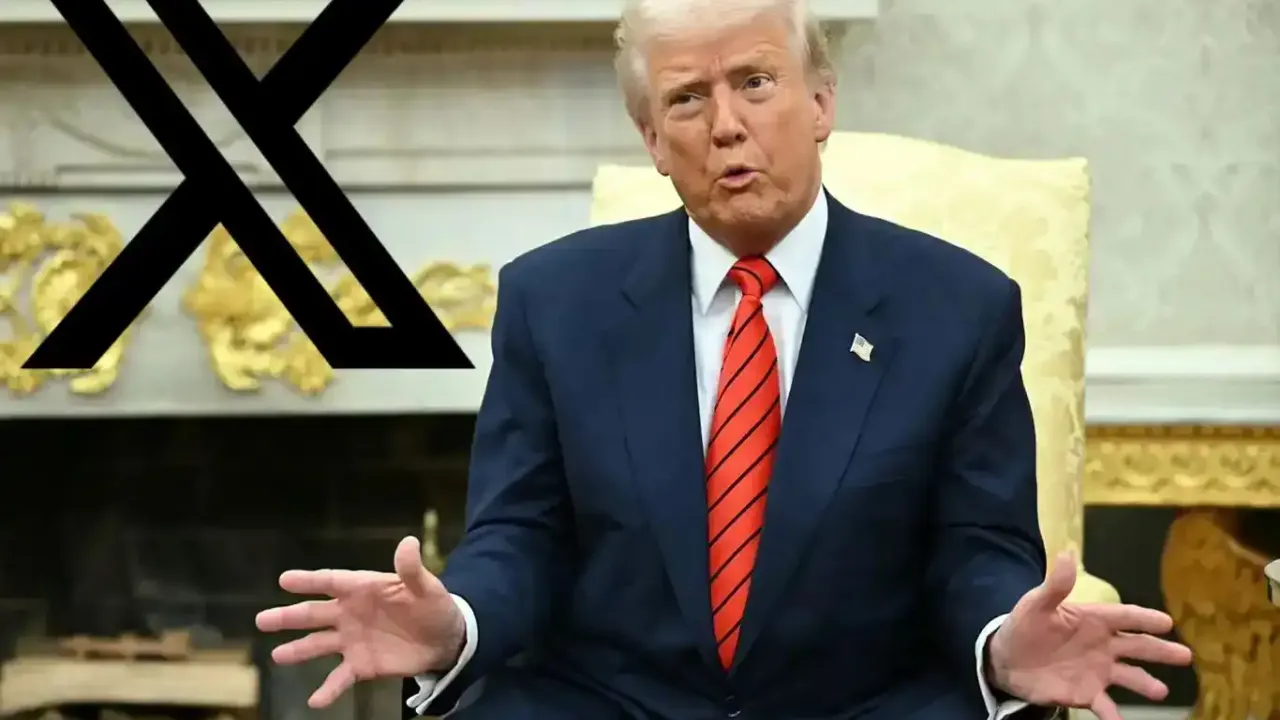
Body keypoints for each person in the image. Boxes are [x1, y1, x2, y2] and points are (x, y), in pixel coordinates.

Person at [254, 0, 1193, 717]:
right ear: (653, 141)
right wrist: (455, 624)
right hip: (611, 701)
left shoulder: (958, 308)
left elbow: (977, 549)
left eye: (755, 82)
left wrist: (1000, 642)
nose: (726, 125)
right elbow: (521, 535)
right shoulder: (554, 301)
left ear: (821, 102)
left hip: (863, 703)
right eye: (687, 99)